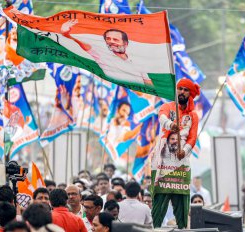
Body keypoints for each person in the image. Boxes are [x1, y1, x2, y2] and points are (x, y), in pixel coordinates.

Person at [151, 78, 200, 229]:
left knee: (182, 208)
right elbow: (162, 117)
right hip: (163, 163)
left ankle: (183, 229)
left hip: (181, 163)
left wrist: (184, 152)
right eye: (180, 88)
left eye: (186, 90)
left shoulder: (193, 115)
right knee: (158, 206)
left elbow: (192, 137)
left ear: (190, 94)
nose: (182, 92)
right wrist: (170, 124)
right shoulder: (168, 106)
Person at [60, 20, 153, 86]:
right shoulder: (102, 56)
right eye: (108, 39)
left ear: (125, 43)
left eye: (115, 39)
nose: (111, 41)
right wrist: (67, 34)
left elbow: (149, 86)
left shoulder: (137, 60)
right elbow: (84, 44)